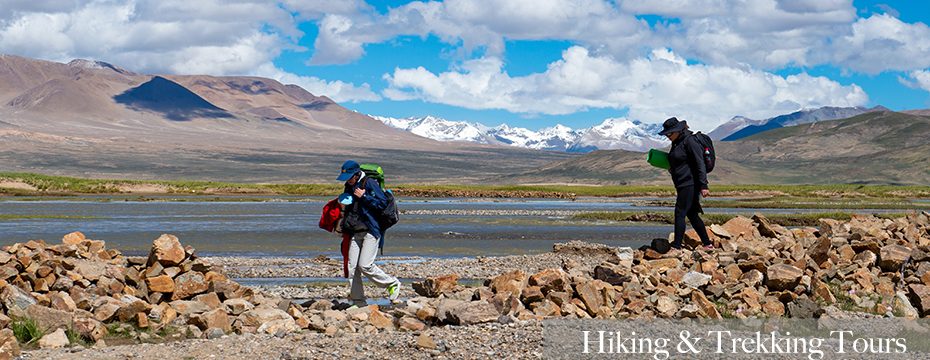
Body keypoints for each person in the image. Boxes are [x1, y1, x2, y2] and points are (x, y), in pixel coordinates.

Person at [336, 160, 401, 306]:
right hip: (354, 231)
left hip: (371, 230)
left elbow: (383, 204)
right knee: (352, 267)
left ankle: (392, 283)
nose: (348, 181)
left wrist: (365, 197)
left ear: (357, 174)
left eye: (350, 177)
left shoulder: (370, 183)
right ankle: (359, 302)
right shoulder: (349, 186)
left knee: (365, 265)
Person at [658, 117, 713, 250]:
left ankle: (676, 246)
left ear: (678, 130)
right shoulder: (677, 142)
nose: (668, 136)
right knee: (692, 214)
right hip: (682, 182)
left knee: (680, 212)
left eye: (669, 133)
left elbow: (700, 163)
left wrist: (704, 185)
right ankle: (707, 244)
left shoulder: (690, 141)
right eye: (666, 134)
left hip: (689, 183)